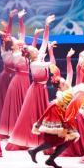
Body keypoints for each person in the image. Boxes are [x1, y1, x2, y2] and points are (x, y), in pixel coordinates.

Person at [6, 16, 59, 151]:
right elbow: (52, 63)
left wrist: (47, 26)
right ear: (30, 55)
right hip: (36, 90)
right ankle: (32, 139)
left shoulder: (38, 56)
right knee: (33, 115)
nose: (37, 50)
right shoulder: (34, 64)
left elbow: (45, 41)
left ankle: (43, 138)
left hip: (42, 88)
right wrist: (51, 50)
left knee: (41, 113)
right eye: (34, 50)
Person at [0, 9, 21, 127]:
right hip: (5, 77)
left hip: (13, 76)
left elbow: (8, 32)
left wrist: (10, 18)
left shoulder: (12, 47)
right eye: (8, 37)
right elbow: (8, 33)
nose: (10, 37)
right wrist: (10, 19)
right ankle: (4, 123)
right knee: (4, 100)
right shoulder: (3, 48)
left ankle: (13, 122)